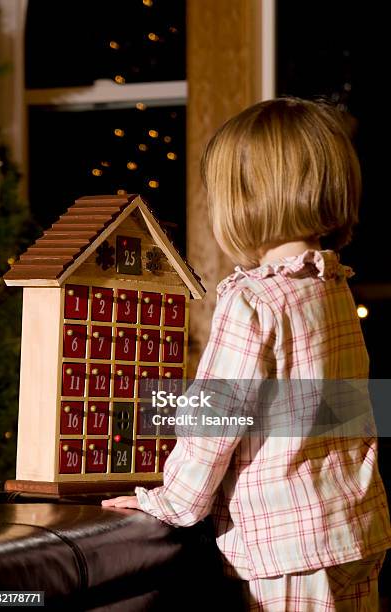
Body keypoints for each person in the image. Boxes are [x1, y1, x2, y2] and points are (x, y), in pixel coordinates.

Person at [102, 97, 391, 610]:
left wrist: (171, 501)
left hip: (288, 546)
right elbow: (343, 408)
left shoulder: (252, 299)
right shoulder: (332, 287)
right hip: (355, 529)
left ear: (242, 199)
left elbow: (214, 419)